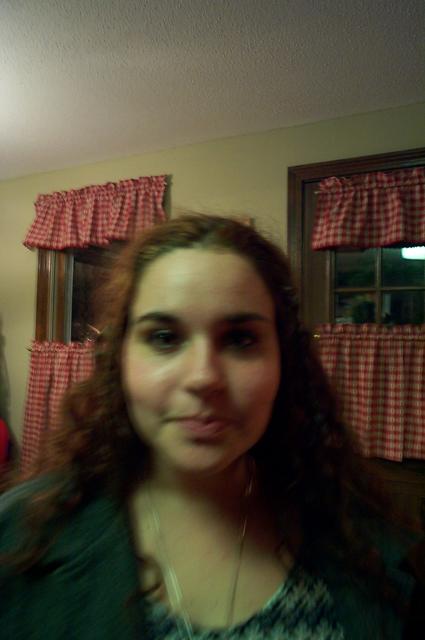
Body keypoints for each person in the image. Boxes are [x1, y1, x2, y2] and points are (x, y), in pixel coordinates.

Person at [0, 214, 422, 639]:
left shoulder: (377, 552)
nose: (203, 377)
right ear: (119, 361)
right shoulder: (18, 540)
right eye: (164, 337)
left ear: (284, 361)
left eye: (240, 339)